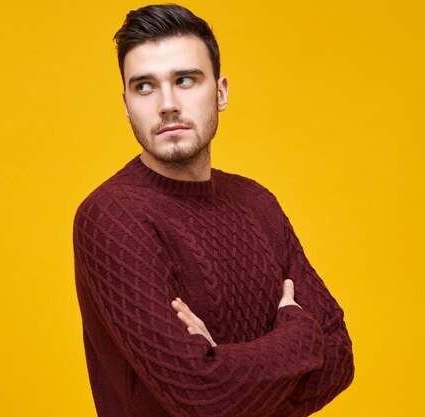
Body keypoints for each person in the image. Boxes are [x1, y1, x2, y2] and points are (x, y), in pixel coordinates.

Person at [73, 4, 354, 417]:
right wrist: (298, 333)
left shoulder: (257, 203)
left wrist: (221, 364)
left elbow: (339, 359)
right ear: (126, 103)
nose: (167, 104)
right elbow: (201, 400)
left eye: (185, 80)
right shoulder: (113, 218)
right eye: (145, 87)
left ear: (220, 92)